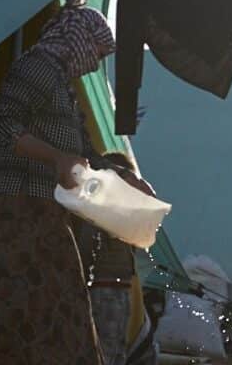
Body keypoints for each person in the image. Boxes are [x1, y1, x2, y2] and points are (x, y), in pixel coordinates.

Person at [0, 0, 130, 365]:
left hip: (46, 211)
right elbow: (3, 123)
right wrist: (55, 157)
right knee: (8, 305)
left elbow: (86, 151)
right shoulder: (36, 66)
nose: (94, 66)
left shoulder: (64, 89)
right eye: (96, 55)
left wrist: (124, 179)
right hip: (14, 207)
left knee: (59, 305)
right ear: (79, 41)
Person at [79, 152, 157, 365]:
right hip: (107, 287)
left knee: (114, 348)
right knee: (109, 350)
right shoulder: (105, 212)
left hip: (117, 286)